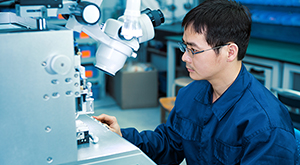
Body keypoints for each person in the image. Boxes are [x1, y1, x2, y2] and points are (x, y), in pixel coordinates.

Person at [94, 0, 297, 164]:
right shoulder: (191, 94)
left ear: (230, 52)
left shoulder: (265, 124)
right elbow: (168, 145)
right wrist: (122, 135)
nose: (184, 57)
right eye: (185, 47)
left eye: (194, 50)